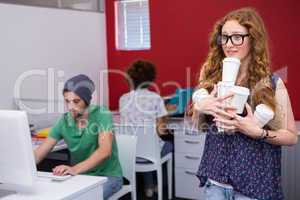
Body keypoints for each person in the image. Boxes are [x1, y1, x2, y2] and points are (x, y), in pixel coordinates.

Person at [193, 7, 298, 200]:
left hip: (254, 188)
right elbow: (197, 126)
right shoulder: (210, 78)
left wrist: (258, 132)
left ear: (253, 39)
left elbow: (291, 137)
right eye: (224, 37)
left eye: (237, 37)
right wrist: (200, 107)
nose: (229, 44)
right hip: (216, 183)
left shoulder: (273, 84)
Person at [34, 74, 123, 200]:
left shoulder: (101, 114)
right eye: (67, 101)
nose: (70, 107)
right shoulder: (64, 121)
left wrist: (74, 169)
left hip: (107, 177)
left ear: (86, 100)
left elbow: (105, 151)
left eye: (76, 101)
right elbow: (39, 152)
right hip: (80, 177)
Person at [119, 60, 173, 197]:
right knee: (169, 145)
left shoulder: (123, 99)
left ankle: (149, 186)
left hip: (129, 153)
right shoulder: (155, 98)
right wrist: (166, 114)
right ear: (150, 79)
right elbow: (161, 131)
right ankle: (159, 185)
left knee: (144, 146)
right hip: (149, 154)